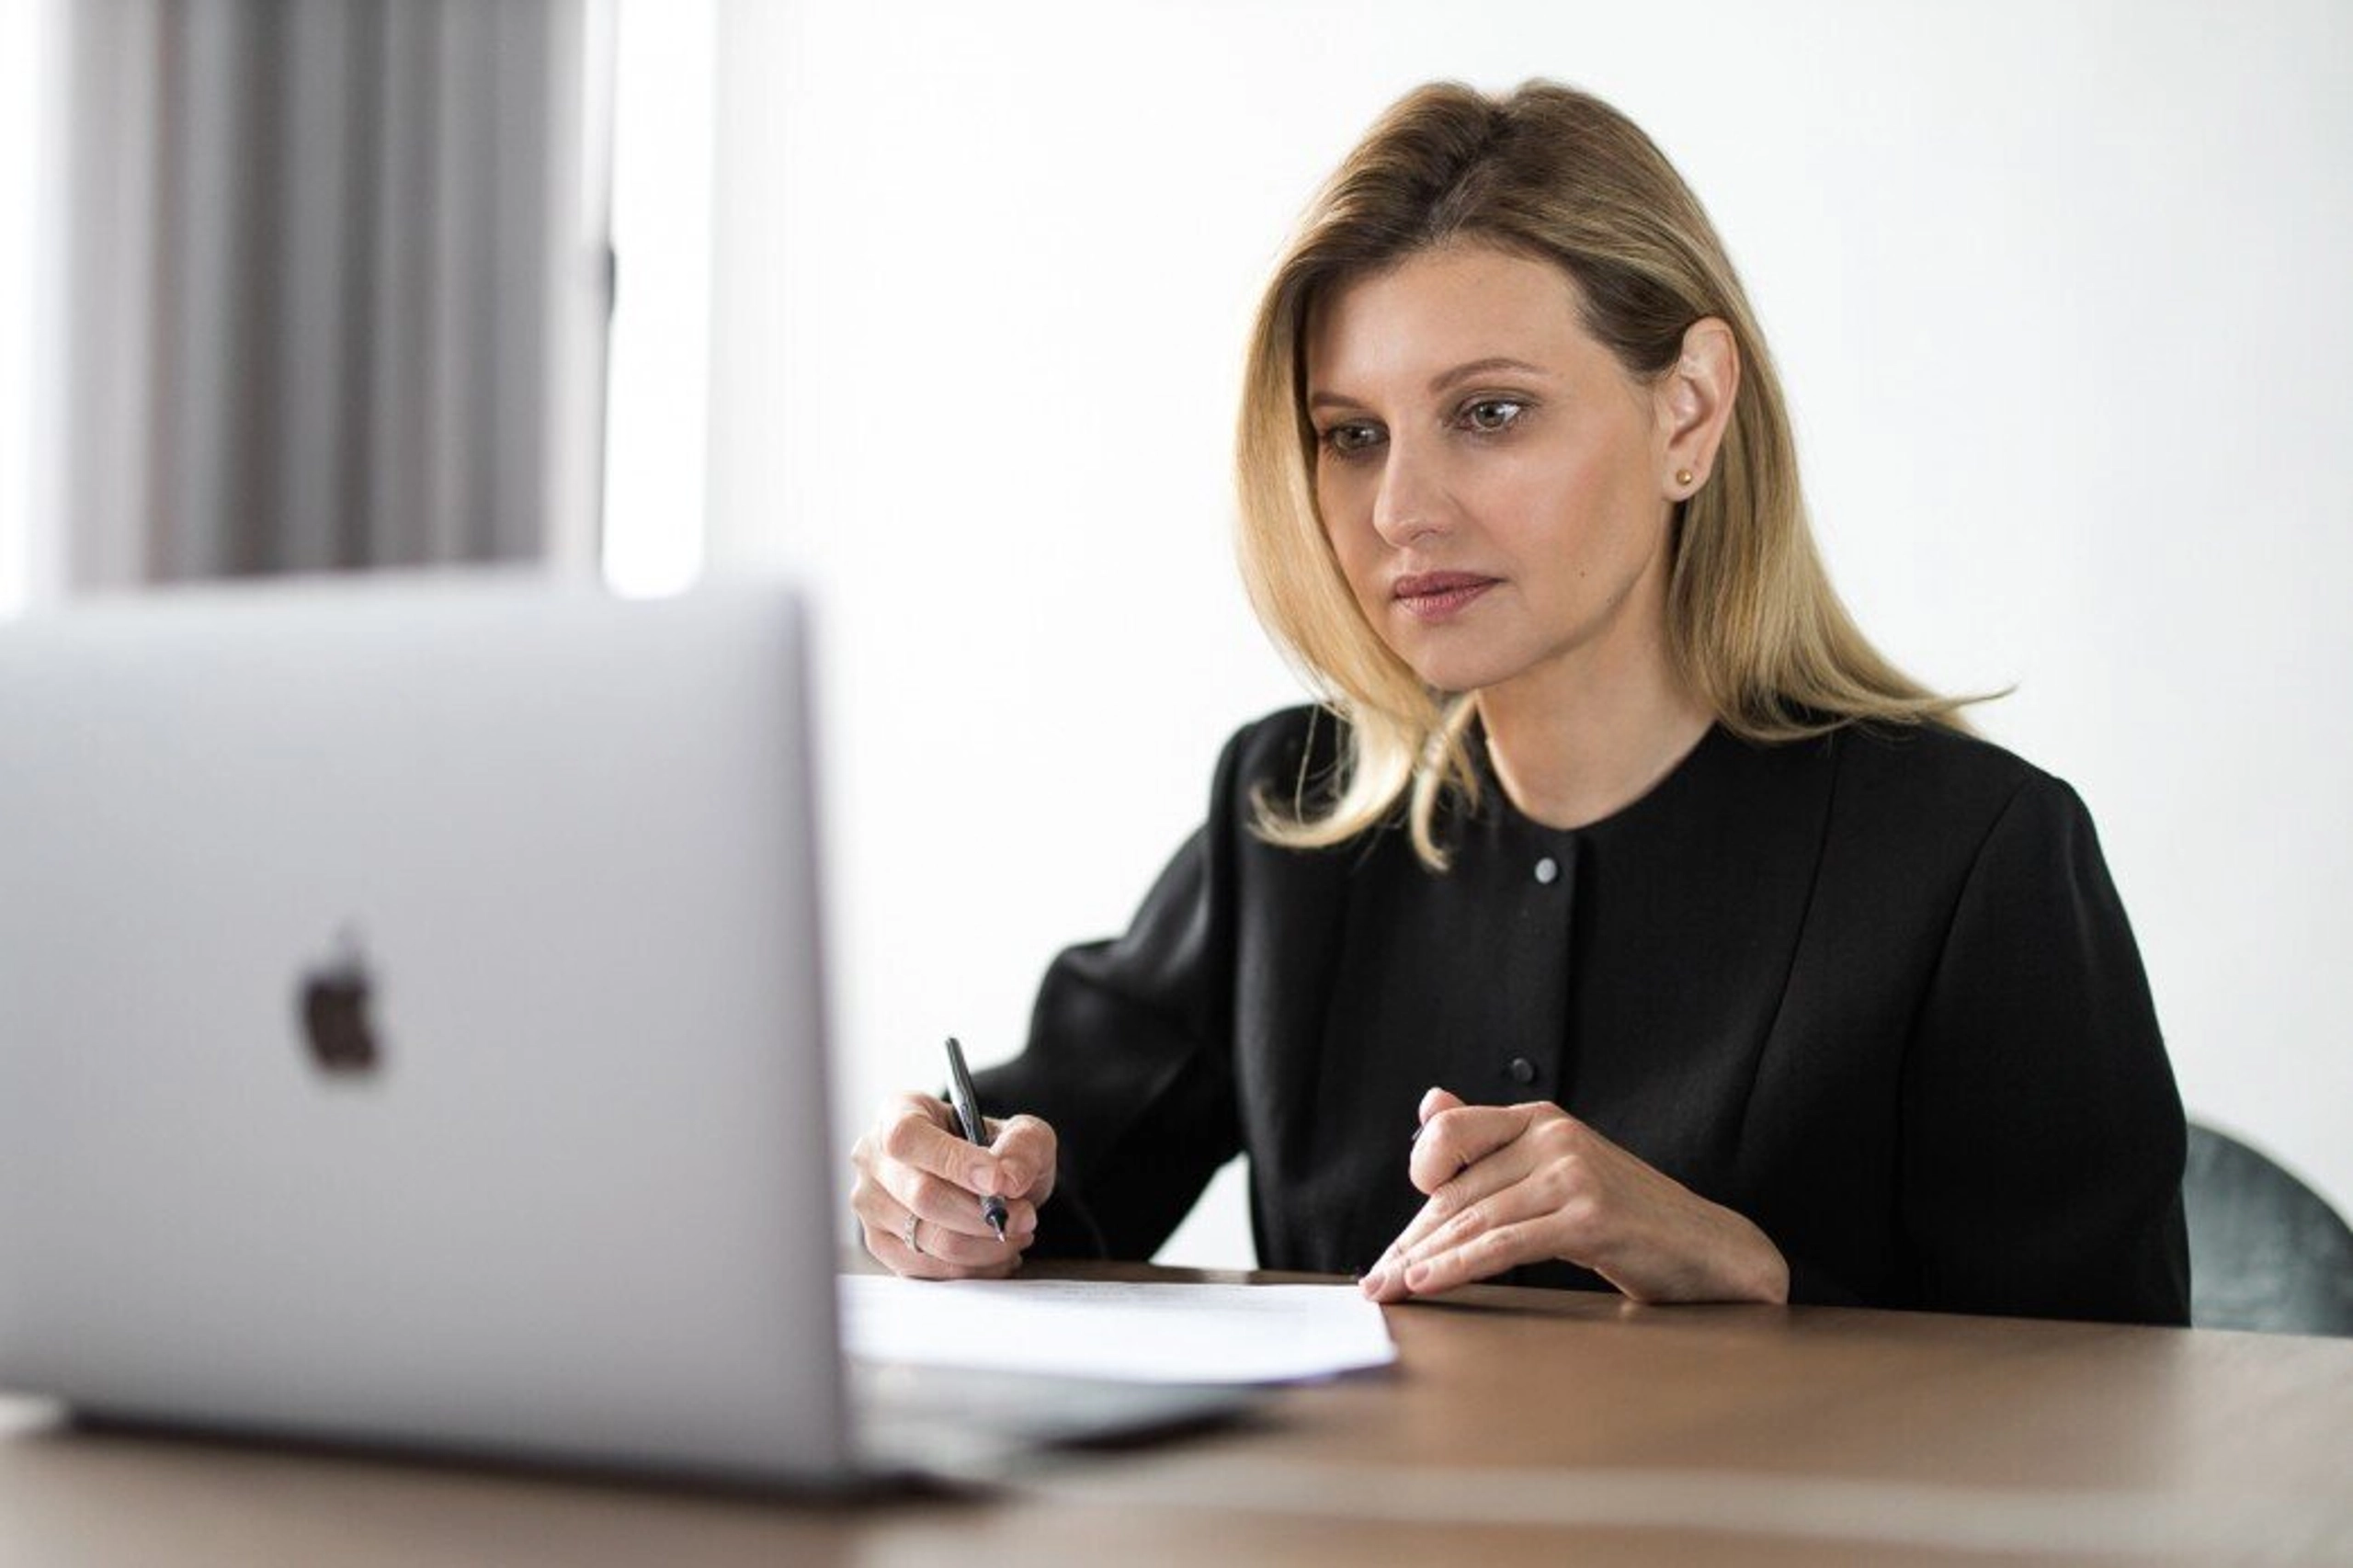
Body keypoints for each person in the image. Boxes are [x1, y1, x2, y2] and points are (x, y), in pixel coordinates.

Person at [847, 80, 2189, 1324]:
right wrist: (949, 1201)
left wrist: (1760, 1276)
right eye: (1351, 434)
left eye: (1489, 413)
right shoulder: (1289, 816)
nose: (1400, 511)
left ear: (1690, 414)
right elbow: (1046, 1194)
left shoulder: (1978, 861)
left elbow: (2122, 1424)